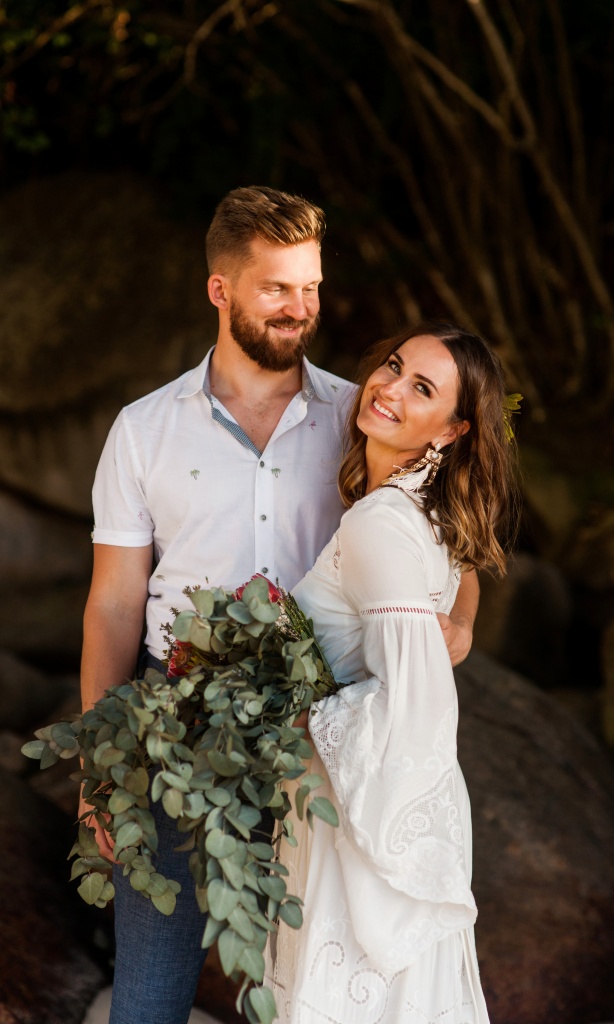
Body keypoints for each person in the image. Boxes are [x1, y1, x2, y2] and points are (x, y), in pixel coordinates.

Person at [79, 187, 480, 1024]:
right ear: (219, 289)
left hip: (319, 739)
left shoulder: (364, 415)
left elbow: (453, 534)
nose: (300, 308)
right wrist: (99, 765)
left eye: (311, 288)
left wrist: (460, 621)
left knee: (312, 983)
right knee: (149, 989)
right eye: (276, 289)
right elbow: (114, 603)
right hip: (178, 724)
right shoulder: (143, 431)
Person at [268, 321, 518, 1024]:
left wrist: (286, 717)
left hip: (361, 831)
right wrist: (461, 623)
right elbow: (458, 579)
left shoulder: (381, 521)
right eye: (395, 366)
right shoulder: (422, 512)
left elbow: (413, 705)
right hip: (359, 806)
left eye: (422, 388)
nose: (389, 388)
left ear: (452, 431)